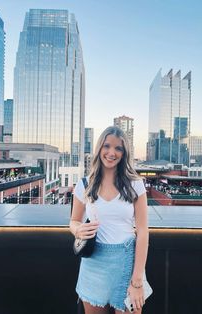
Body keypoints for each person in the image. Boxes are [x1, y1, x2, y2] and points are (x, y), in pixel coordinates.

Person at [69, 126, 149, 314]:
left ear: (124, 153)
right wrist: (77, 230)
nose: (112, 153)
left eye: (118, 148)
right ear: (99, 149)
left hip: (127, 264)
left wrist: (137, 281)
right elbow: (73, 221)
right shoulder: (84, 184)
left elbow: (143, 231)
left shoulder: (135, 184)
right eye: (107, 146)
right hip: (94, 265)